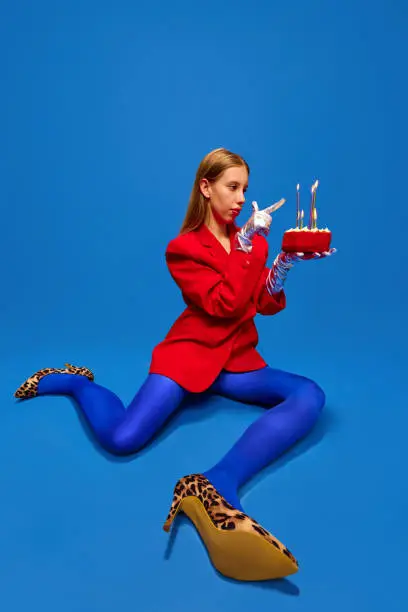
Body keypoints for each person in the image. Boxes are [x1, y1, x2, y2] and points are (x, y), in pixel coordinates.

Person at [14, 147, 335, 582]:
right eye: (232, 187)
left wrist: (282, 263)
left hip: (235, 359)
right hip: (190, 354)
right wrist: (249, 247)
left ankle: (217, 483)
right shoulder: (183, 249)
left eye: (245, 188)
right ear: (207, 187)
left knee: (309, 394)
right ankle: (76, 382)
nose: (242, 198)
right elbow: (222, 304)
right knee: (122, 438)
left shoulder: (246, 239)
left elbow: (259, 301)